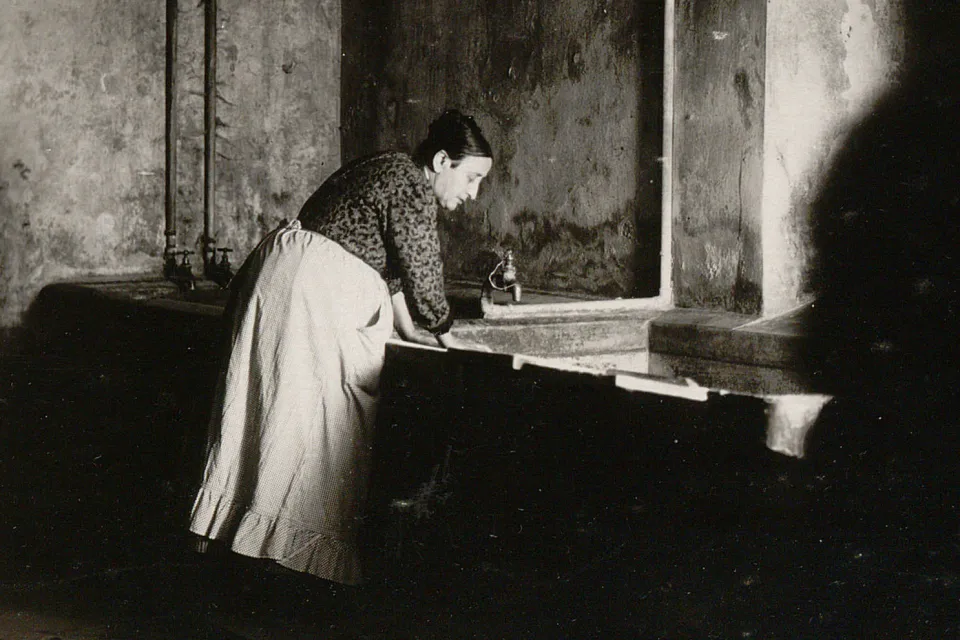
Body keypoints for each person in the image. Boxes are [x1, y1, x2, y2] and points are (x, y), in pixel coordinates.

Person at [188, 110, 494, 586]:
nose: (472, 194)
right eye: (471, 178)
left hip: (289, 277)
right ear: (441, 161)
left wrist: (412, 331)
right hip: (312, 290)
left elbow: (389, 271)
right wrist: (449, 336)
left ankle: (246, 552)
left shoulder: (386, 168)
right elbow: (422, 271)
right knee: (311, 427)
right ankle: (282, 569)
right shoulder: (410, 183)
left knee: (274, 415)